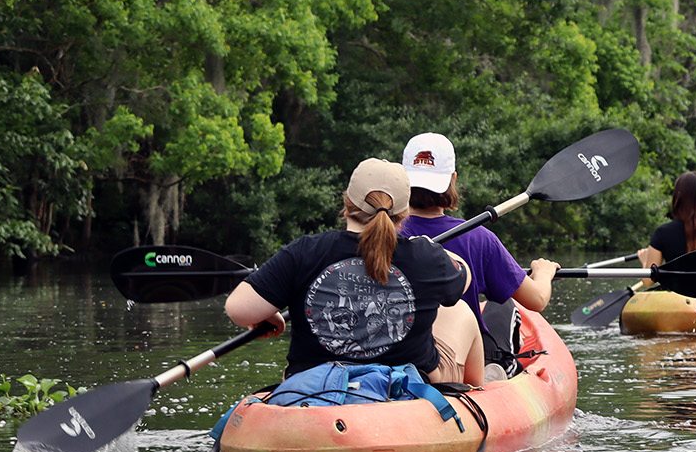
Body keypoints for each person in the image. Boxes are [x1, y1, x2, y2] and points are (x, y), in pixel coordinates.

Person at [224, 157, 487, 387]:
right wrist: (431, 250)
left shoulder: (305, 251)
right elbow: (463, 278)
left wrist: (270, 313)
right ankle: (480, 392)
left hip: (316, 387)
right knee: (460, 311)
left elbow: (238, 308)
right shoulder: (426, 256)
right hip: (405, 389)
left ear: (346, 204)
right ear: (403, 214)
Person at [399, 133, 560, 369]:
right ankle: (499, 371)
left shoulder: (378, 235)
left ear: (402, 180)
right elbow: (536, 300)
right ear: (453, 179)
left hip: (397, 353)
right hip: (462, 360)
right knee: (503, 304)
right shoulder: (478, 238)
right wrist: (543, 273)